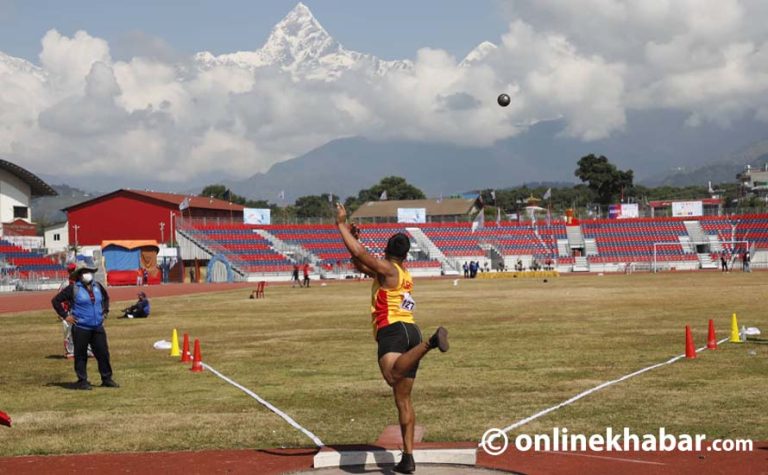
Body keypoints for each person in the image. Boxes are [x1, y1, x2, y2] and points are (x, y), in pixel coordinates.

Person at [335, 202, 448, 474]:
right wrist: (355, 239)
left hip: (393, 329)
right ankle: (408, 457)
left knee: (391, 376)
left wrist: (341, 225)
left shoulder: (388, 270)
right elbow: (360, 263)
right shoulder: (401, 273)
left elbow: (360, 254)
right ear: (406, 255)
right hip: (410, 329)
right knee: (403, 399)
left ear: (386, 251)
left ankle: (431, 343)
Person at [51, 262, 118, 390]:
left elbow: (105, 298)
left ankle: (106, 378)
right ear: (79, 275)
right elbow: (56, 301)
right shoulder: (73, 288)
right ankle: (82, 381)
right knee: (81, 355)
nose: (88, 274)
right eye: (84, 272)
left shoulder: (97, 286)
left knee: (103, 353)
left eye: (89, 271)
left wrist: (105, 311)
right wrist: (65, 316)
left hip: (97, 326)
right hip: (81, 327)